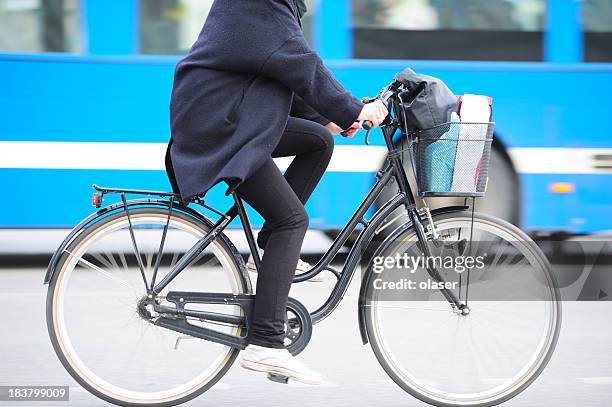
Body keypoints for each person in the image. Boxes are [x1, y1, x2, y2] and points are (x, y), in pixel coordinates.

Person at [165, 0, 388, 385]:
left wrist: (335, 118)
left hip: (229, 117)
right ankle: (266, 343)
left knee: (318, 140)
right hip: (223, 128)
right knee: (292, 221)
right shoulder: (261, 5)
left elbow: (283, 72)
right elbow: (301, 65)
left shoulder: (270, 10)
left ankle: (268, 250)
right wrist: (353, 110)